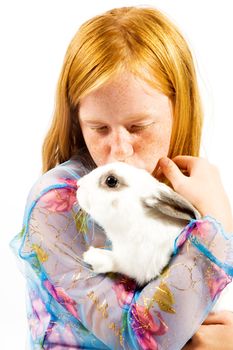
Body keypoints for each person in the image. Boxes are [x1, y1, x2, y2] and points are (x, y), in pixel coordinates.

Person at [11, 6, 233, 349]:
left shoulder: (182, 189)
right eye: (98, 128)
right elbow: (143, 337)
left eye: (138, 127)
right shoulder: (60, 201)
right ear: (77, 120)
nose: (119, 151)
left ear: (179, 109)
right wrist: (219, 226)